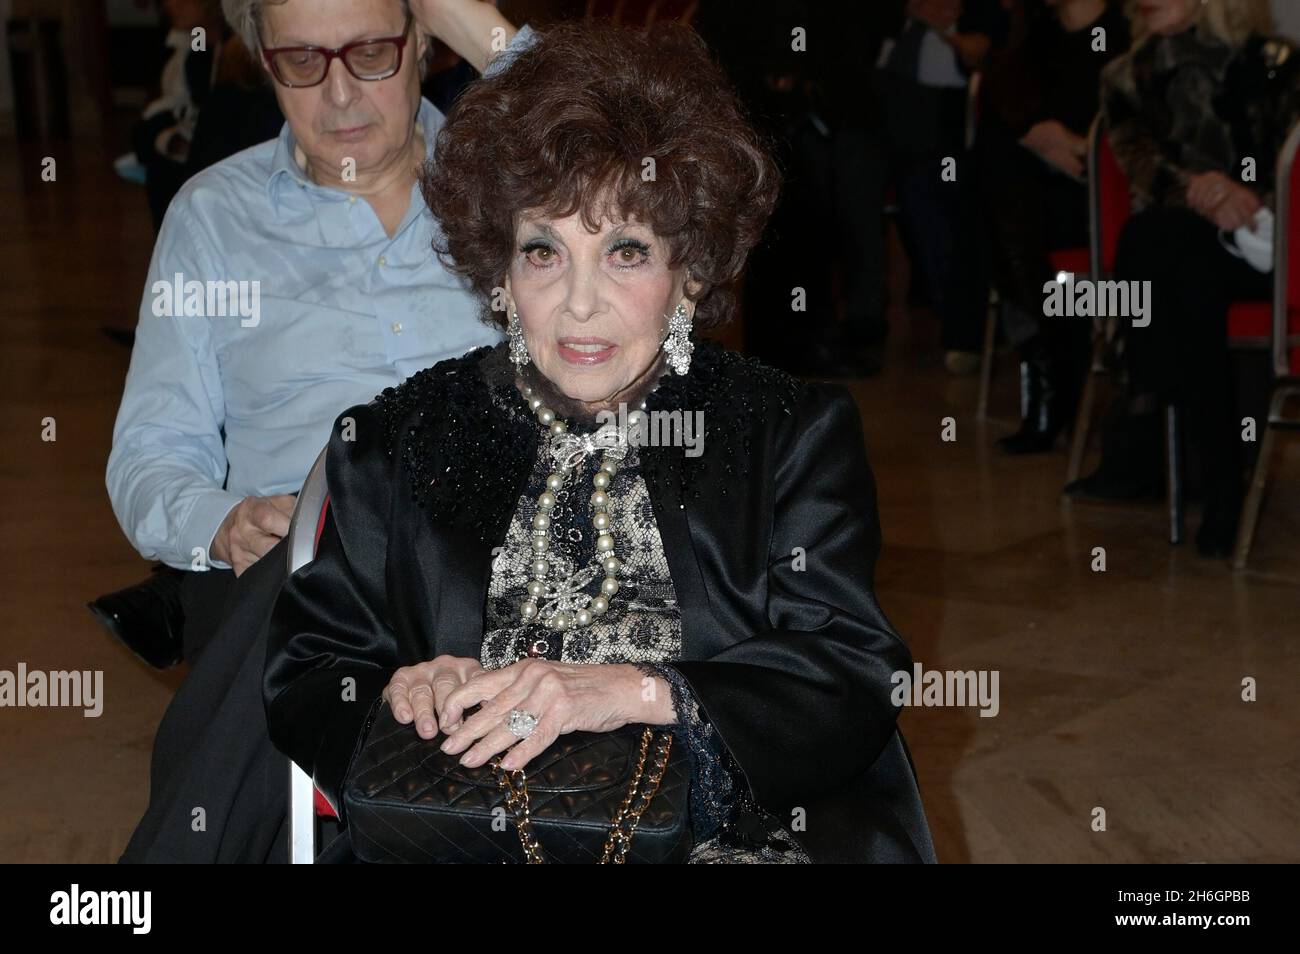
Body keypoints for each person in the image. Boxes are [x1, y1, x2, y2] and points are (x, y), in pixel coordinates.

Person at [265, 19, 935, 863]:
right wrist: (398, 692)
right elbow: (311, 670)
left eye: (625, 251)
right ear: (501, 273)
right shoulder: (397, 439)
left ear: (689, 270)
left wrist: (636, 692)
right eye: (543, 252)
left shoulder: (787, 437)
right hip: (470, 832)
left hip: (727, 835)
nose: (580, 306)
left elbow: (850, 675)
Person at [116, 0, 534, 863]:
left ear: (425, 43)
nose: (340, 93)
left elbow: (645, 151)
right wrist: (220, 520)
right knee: (316, 556)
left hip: (495, 559)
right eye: (301, 62)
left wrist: (481, 23)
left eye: (372, 53)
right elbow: (153, 455)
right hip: (292, 564)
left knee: (321, 590)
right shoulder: (213, 218)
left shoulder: (517, 180)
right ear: (260, 62)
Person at [1067, 0, 1300, 557]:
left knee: (1157, 250)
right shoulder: (1124, 76)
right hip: (1192, 245)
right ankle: (1221, 486)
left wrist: (1251, 198)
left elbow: (1292, 166)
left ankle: (1147, 398)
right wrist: (1205, 192)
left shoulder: (1276, 62)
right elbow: (1142, 166)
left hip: (1275, 245)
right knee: (1169, 249)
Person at [978, 0, 1130, 452]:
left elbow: (1141, 142)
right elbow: (999, 110)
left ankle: (1050, 383)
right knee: (999, 177)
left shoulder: (1124, 39)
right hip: (1033, 206)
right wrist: (1029, 132)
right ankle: (1055, 370)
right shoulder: (1032, 37)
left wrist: (1084, 150)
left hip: (1102, 202)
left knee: (1007, 213)